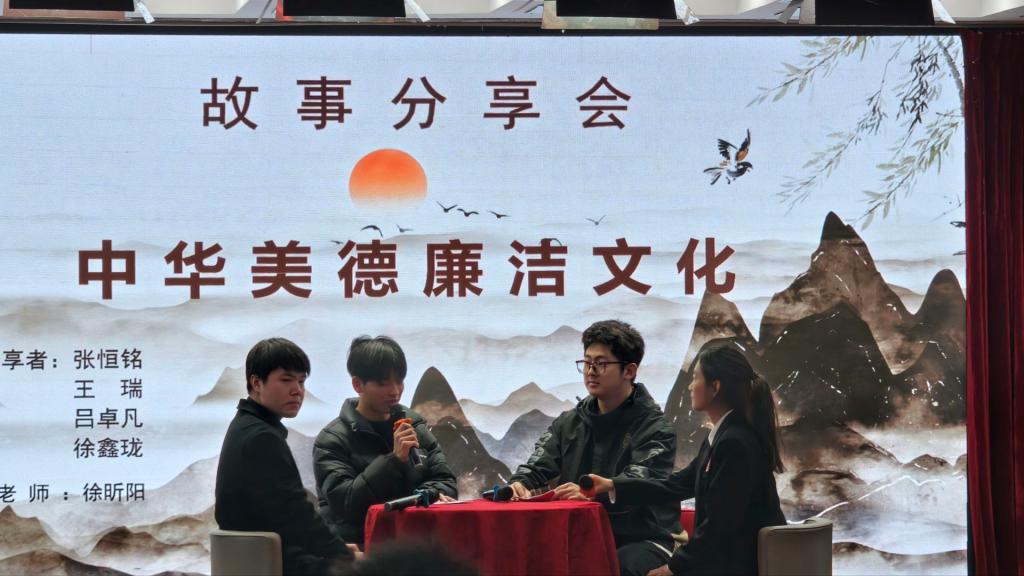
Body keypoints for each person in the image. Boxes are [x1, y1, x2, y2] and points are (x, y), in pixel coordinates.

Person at [586, 343, 787, 576]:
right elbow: (675, 485)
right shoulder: (722, 437)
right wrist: (613, 486)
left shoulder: (734, 443)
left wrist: (673, 567)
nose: (690, 386)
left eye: (695, 378)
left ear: (715, 387)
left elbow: (719, 526)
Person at [508, 320, 679, 576]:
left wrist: (592, 493)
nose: (591, 371)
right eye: (587, 362)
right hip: (580, 534)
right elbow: (538, 465)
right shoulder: (569, 422)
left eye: (601, 363)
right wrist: (519, 483)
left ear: (629, 370)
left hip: (642, 537)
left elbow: (641, 481)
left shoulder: (655, 428)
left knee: (608, 567)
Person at [215, 337, 357, 576]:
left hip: (262, 558)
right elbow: (294, 514)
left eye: (301, 381)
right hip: (274, 562)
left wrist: (336, 549)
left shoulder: (246, 425)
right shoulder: (262, 437)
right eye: (286, 380)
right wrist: (342, 554)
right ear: (256, 383)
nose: (297, 390)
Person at [314, 336, 458, 547]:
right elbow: (345, 504)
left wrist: (426, 495)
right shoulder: (332, 439)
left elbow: (446, 481)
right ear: (357, 384)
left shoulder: (415, 426)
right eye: (383, 383)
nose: (395, 391)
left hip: (415, 545)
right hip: (362, 549)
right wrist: (393, 460)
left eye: (399, 381)